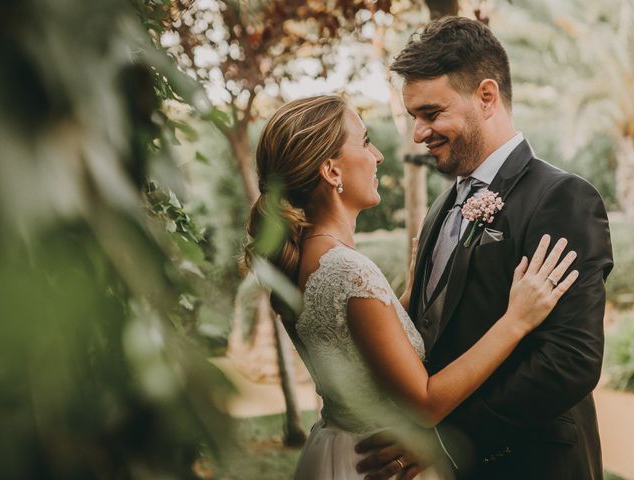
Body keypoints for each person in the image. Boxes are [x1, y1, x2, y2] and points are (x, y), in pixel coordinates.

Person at [243, 94, 579, 480]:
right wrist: (516, 320)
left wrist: (413, 284)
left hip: (336, 450)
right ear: (331, 171)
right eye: (365, 141)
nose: (378, 156)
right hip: (380, 462)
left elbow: (361, 345)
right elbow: (426, 402)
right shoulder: (349, 271)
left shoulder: (305, 259)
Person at [355, 16, 614, 480]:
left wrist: (450, 439)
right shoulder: (441, 206)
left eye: (432, 114)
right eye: (414, 116)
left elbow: (570, 360)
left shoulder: (561, 198)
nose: (418, 133)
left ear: (487, 97)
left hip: (532, 465)